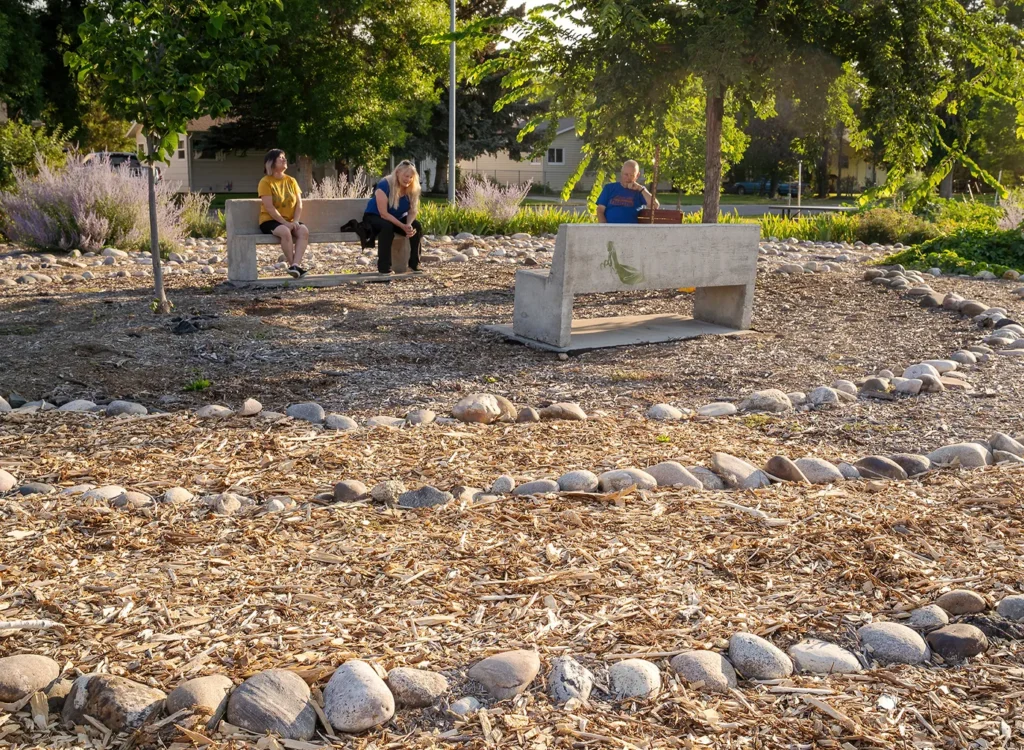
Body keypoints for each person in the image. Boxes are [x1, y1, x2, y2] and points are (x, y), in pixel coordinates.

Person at [362, 160, 423, 274]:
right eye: (406, 176)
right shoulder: (385, 184)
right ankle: (384, 268)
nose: (408, 179)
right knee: (387, 227)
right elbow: (383, 214)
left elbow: (412, 211)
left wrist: (408, 225)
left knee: (416, 226)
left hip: (396, 218)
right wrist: (402, 226)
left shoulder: (413, 188)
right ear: (398, 172)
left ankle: (414, 265)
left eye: (411, 177)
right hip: (374, 217)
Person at [258, 149, 309, 278]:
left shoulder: (291, 181)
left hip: (290, 221)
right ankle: (294, 266)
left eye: (284, 157)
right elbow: (269, 208)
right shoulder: (265, 182)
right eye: (281, 158)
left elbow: (299, 204)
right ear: (271, 163)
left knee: (303, 231)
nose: (284, 159)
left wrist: (295, 221)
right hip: (270, 221)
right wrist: (285, 223)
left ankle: (295, 265)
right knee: (285, 232)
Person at [596, 160, 660, 224]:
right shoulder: (609, 188)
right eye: (626, 174)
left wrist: (640, 188)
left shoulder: (640, 191)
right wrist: (604, 227)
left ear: (637, 175)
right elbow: (600, 210)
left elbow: (655, 205)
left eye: (632, 175)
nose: (628, 178)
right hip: (610, 228)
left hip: (630, 230)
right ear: (621, 173)